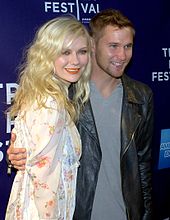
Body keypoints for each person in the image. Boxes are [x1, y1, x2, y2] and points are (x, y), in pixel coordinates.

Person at [7, 9, 153, 220]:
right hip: (76, 212)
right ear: (93, 45)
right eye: (113, 46)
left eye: (128, 46)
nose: (121, 55)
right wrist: (18, 155)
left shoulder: (141, 96)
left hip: (125, 213)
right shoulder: (66, 95)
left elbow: (143, 165)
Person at [5, 16, 91, 220]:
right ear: (47, 55)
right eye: (65, 52)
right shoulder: (50, 104)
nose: (76, 61)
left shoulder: (47, 95)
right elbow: (45, 182)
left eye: (82, 52)